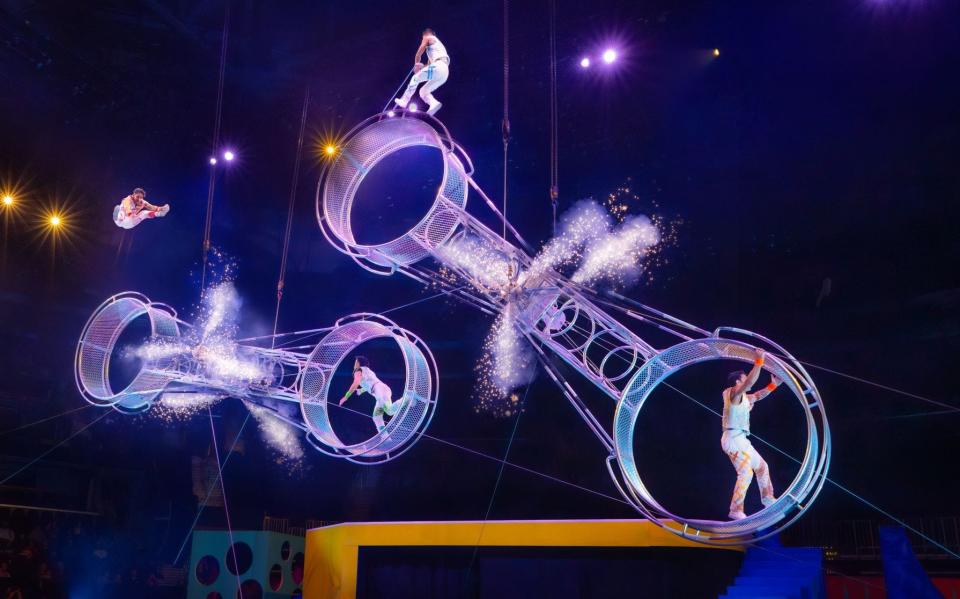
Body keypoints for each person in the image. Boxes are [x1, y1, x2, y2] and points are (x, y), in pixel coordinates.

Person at [721, 349, 782, 520]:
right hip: (732, 439)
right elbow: (749, 384)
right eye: (746, 377)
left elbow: (757, 395)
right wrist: (759, 361)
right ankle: (735, 510)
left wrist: (773, 385)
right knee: (746, 473)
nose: (748, 379)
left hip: (741, 439)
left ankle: (768, 498)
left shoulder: (744, 398)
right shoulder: (733, 394)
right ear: (738, 381)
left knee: (762, 467)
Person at [394, 28, 450, 116]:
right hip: (444, 72)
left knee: (415, 78)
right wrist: (421, 67)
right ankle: (434, 103)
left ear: (426, 35)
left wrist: (416, 64)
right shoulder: (437, 48)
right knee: (423, 91)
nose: (423, 40)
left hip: (439, 66)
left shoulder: (428, 37)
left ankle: (404, 100)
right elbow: (429, 66)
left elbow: (419, 53)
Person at [339, 356, 403, 432]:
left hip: (380, 390)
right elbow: (370, 385)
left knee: (389, 411)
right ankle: (385, 438)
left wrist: (346, 397)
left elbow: (355, 383)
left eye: (355, 362)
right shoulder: (367, 370)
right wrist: (361, 391)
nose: (354, 364)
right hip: (381, 390)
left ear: (358, 363)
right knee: (376, 416)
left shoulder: (358, 371)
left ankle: (407, 398)